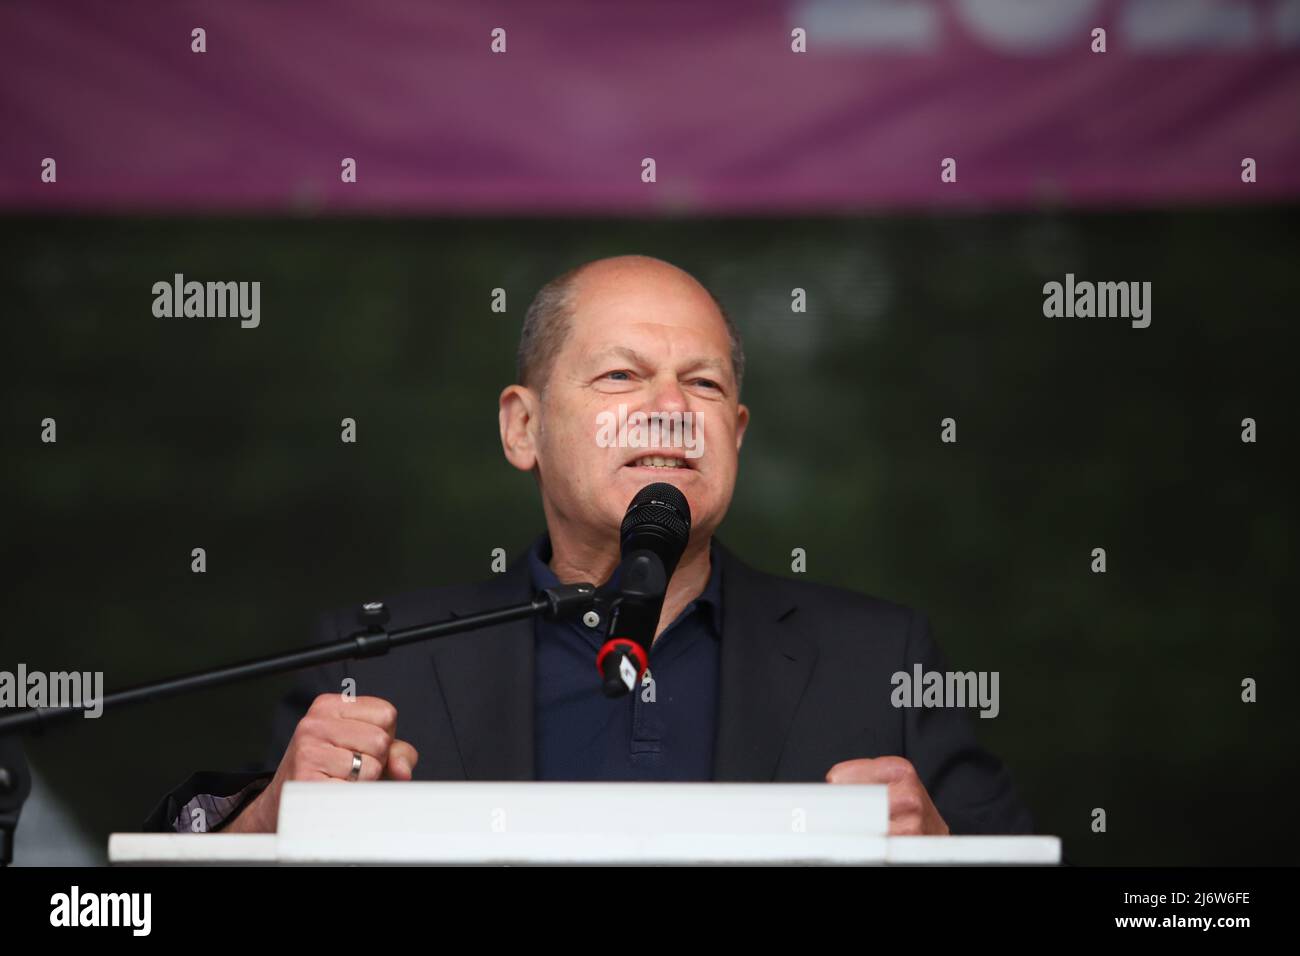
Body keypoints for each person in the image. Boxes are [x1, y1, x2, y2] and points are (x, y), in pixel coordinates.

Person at [145, 255, 1033, 837]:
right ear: (522, 427)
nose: (669, 410)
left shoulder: (880, 658)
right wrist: (267, 822)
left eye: (704, 384)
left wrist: (945, 858)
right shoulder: (381, 660)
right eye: (621, 376)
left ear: (738, 432)